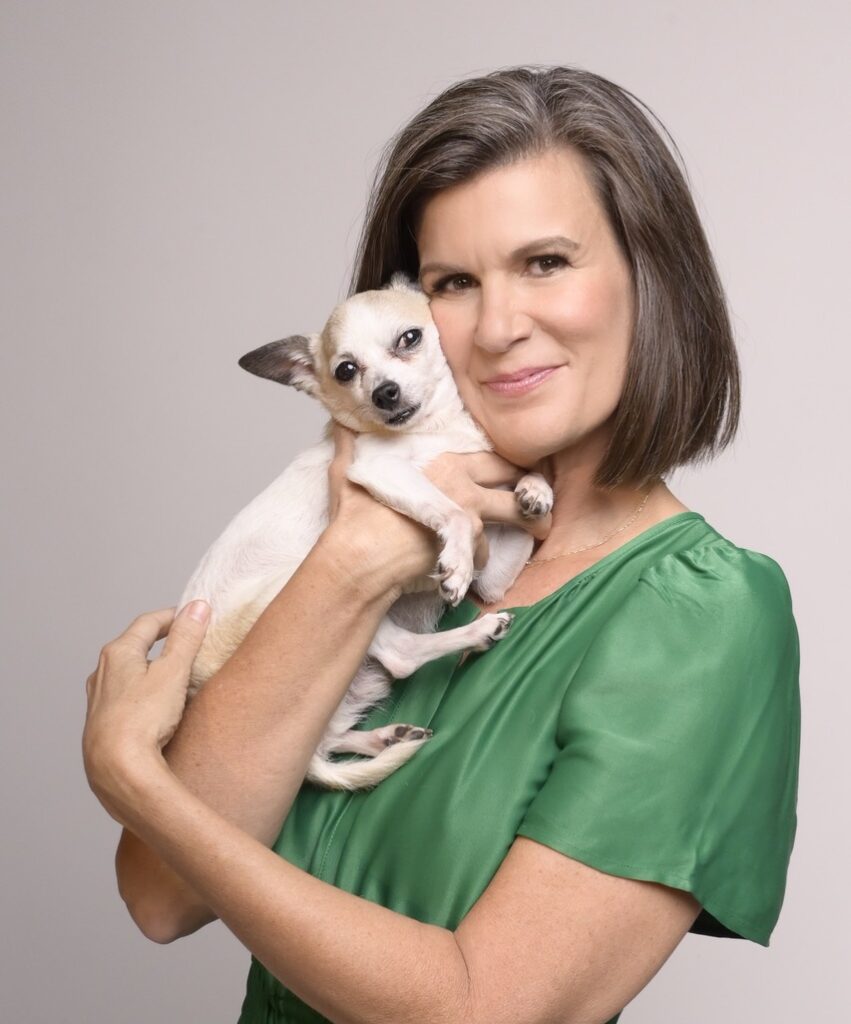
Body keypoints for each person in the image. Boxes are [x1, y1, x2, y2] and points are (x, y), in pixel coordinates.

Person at [82, 65, 801, 1024]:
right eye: (453, 283)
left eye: (545, 262)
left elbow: (483, 1009)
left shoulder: (697, 612)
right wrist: (357, 560)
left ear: (649, 278)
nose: (498, 327)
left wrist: (135, 777)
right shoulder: (363, 556)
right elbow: (160, 898)